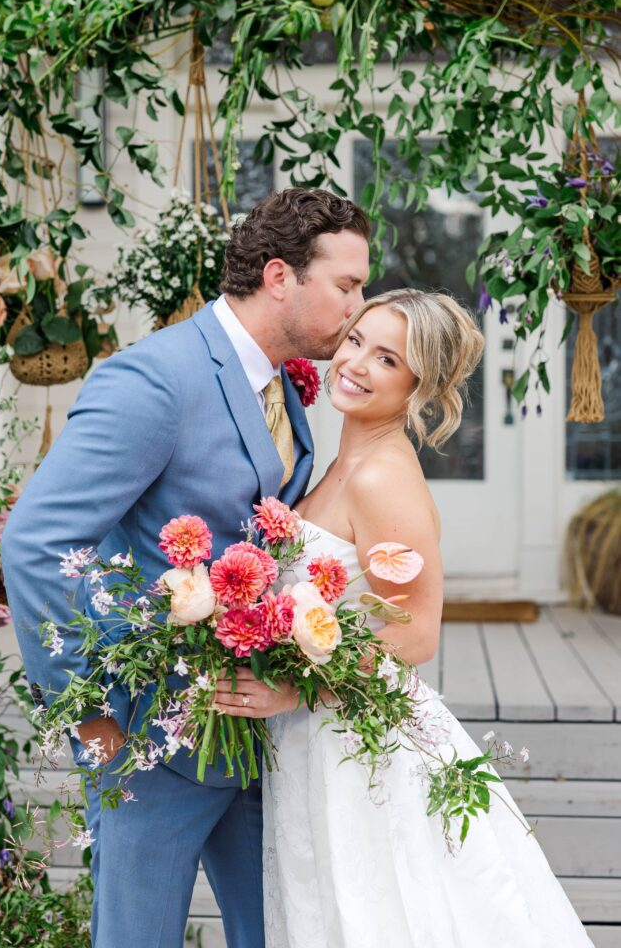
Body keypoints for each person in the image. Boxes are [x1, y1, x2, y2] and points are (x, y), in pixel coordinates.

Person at [0, 187, 370, 948]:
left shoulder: (282, 386)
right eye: (347, 285)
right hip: (149, 743)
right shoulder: (154, 380)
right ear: (278, 277)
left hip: (258, 735)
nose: (358, 308)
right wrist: (90, 721)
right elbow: (35, 543)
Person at [246, 289, 594, 948]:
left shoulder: (382, 478)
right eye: (354, 341)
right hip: (315, 734)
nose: (354, 363)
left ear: (418, 386)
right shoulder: (335, 465)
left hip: (359, 742)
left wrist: (292, 687)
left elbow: (414, 633)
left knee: (380, 912)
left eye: (386, 359)